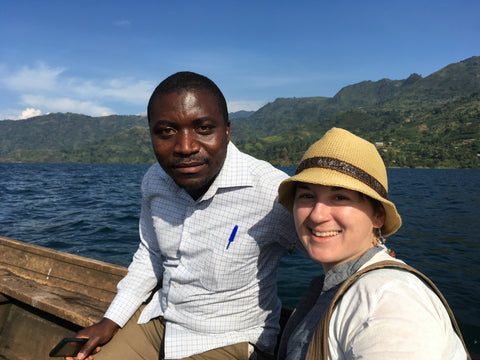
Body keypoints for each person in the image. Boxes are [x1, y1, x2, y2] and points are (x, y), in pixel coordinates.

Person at [68, 71, 299, 360]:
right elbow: (151, 254)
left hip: (227, 337)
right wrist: (110, 320)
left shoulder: (270, 191)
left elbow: (336, 254)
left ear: (226, 131)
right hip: (160, 321)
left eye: (203, 128)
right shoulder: (155, 181)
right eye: (166, 131)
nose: (185, 147)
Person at [276, 127, 470, 359]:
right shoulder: (341, 284)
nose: (317, 215)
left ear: (378, 216)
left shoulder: (389, 301)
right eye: (307, 196)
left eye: (340, 197)